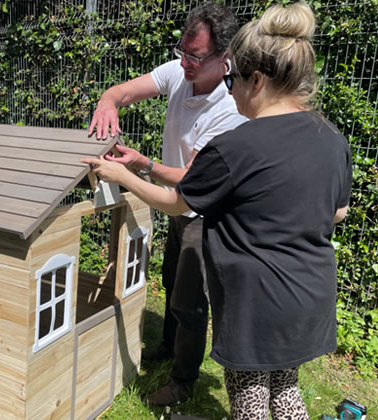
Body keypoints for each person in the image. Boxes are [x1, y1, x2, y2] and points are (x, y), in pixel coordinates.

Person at [84, 1, 352, 418]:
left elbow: (177, 201)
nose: (232, 89)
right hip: (308, 294)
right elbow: (337, 213)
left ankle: (184, 379)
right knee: (285, 391)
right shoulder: (332, 138)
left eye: (237, 81)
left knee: (248, 402)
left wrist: (123, 176)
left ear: (257, 80)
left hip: (256, 304)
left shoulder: (236, 143)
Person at [88, 2, 246, 405]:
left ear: (224, 58)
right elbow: (122, 91)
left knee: (190, 300)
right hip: (176, 203)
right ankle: (170, 347)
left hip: (204, 212)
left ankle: (183, 381)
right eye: (182, 52)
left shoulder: (230, 110)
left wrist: (141, 164)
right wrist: (108, 102)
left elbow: (190, 179)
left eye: (196, 57)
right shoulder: (179, 71)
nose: (185, 64)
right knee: (173, 280)